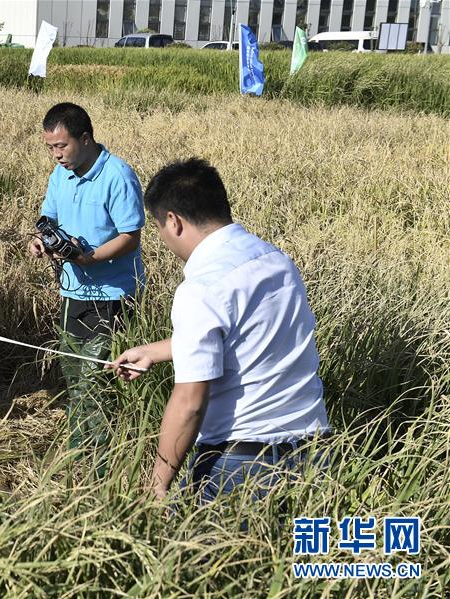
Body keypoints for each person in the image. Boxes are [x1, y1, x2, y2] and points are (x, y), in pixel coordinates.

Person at [110, 158, 330, 503]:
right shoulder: (277, 262)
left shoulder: (201, 287)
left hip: (240, 466)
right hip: (313, 455)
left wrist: (157, 486)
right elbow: (249, 335)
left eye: (158, 229)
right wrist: (155, 351)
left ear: (173, 221)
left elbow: (190, 403)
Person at [28, 102, 145, 474]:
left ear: (85, 138)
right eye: (50, 148)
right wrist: (41, 241)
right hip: (72, 294)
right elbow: (49, 219)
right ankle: (81, 452)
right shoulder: (59, 176)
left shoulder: (117, 176)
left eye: (61, 146)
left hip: (112, 296)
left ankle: (104, 464)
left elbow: (130, 236)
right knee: (75, 377)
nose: (56, 155)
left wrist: (90, 258)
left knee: (98, 383)